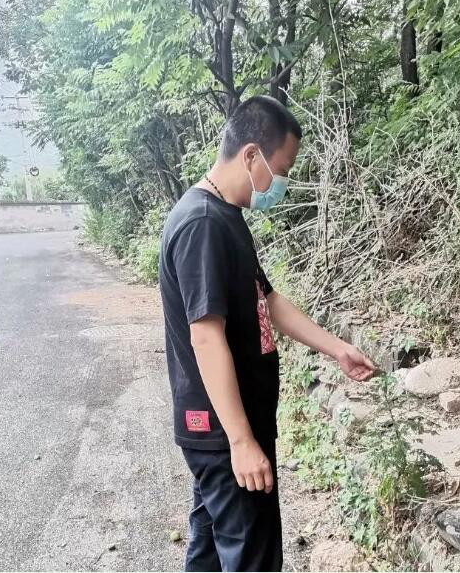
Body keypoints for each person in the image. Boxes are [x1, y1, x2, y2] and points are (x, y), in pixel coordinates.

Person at [158, 95, 375, 572]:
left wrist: (337, 348)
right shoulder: (202, 225)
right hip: (223, 432)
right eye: (283, 169)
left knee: (211, 550)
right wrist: (241, 442)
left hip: (225, 429)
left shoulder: (224, 215)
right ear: (251, 155)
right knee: (252, 558)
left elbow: (268, 301)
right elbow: (205, 337)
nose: (283, 183)